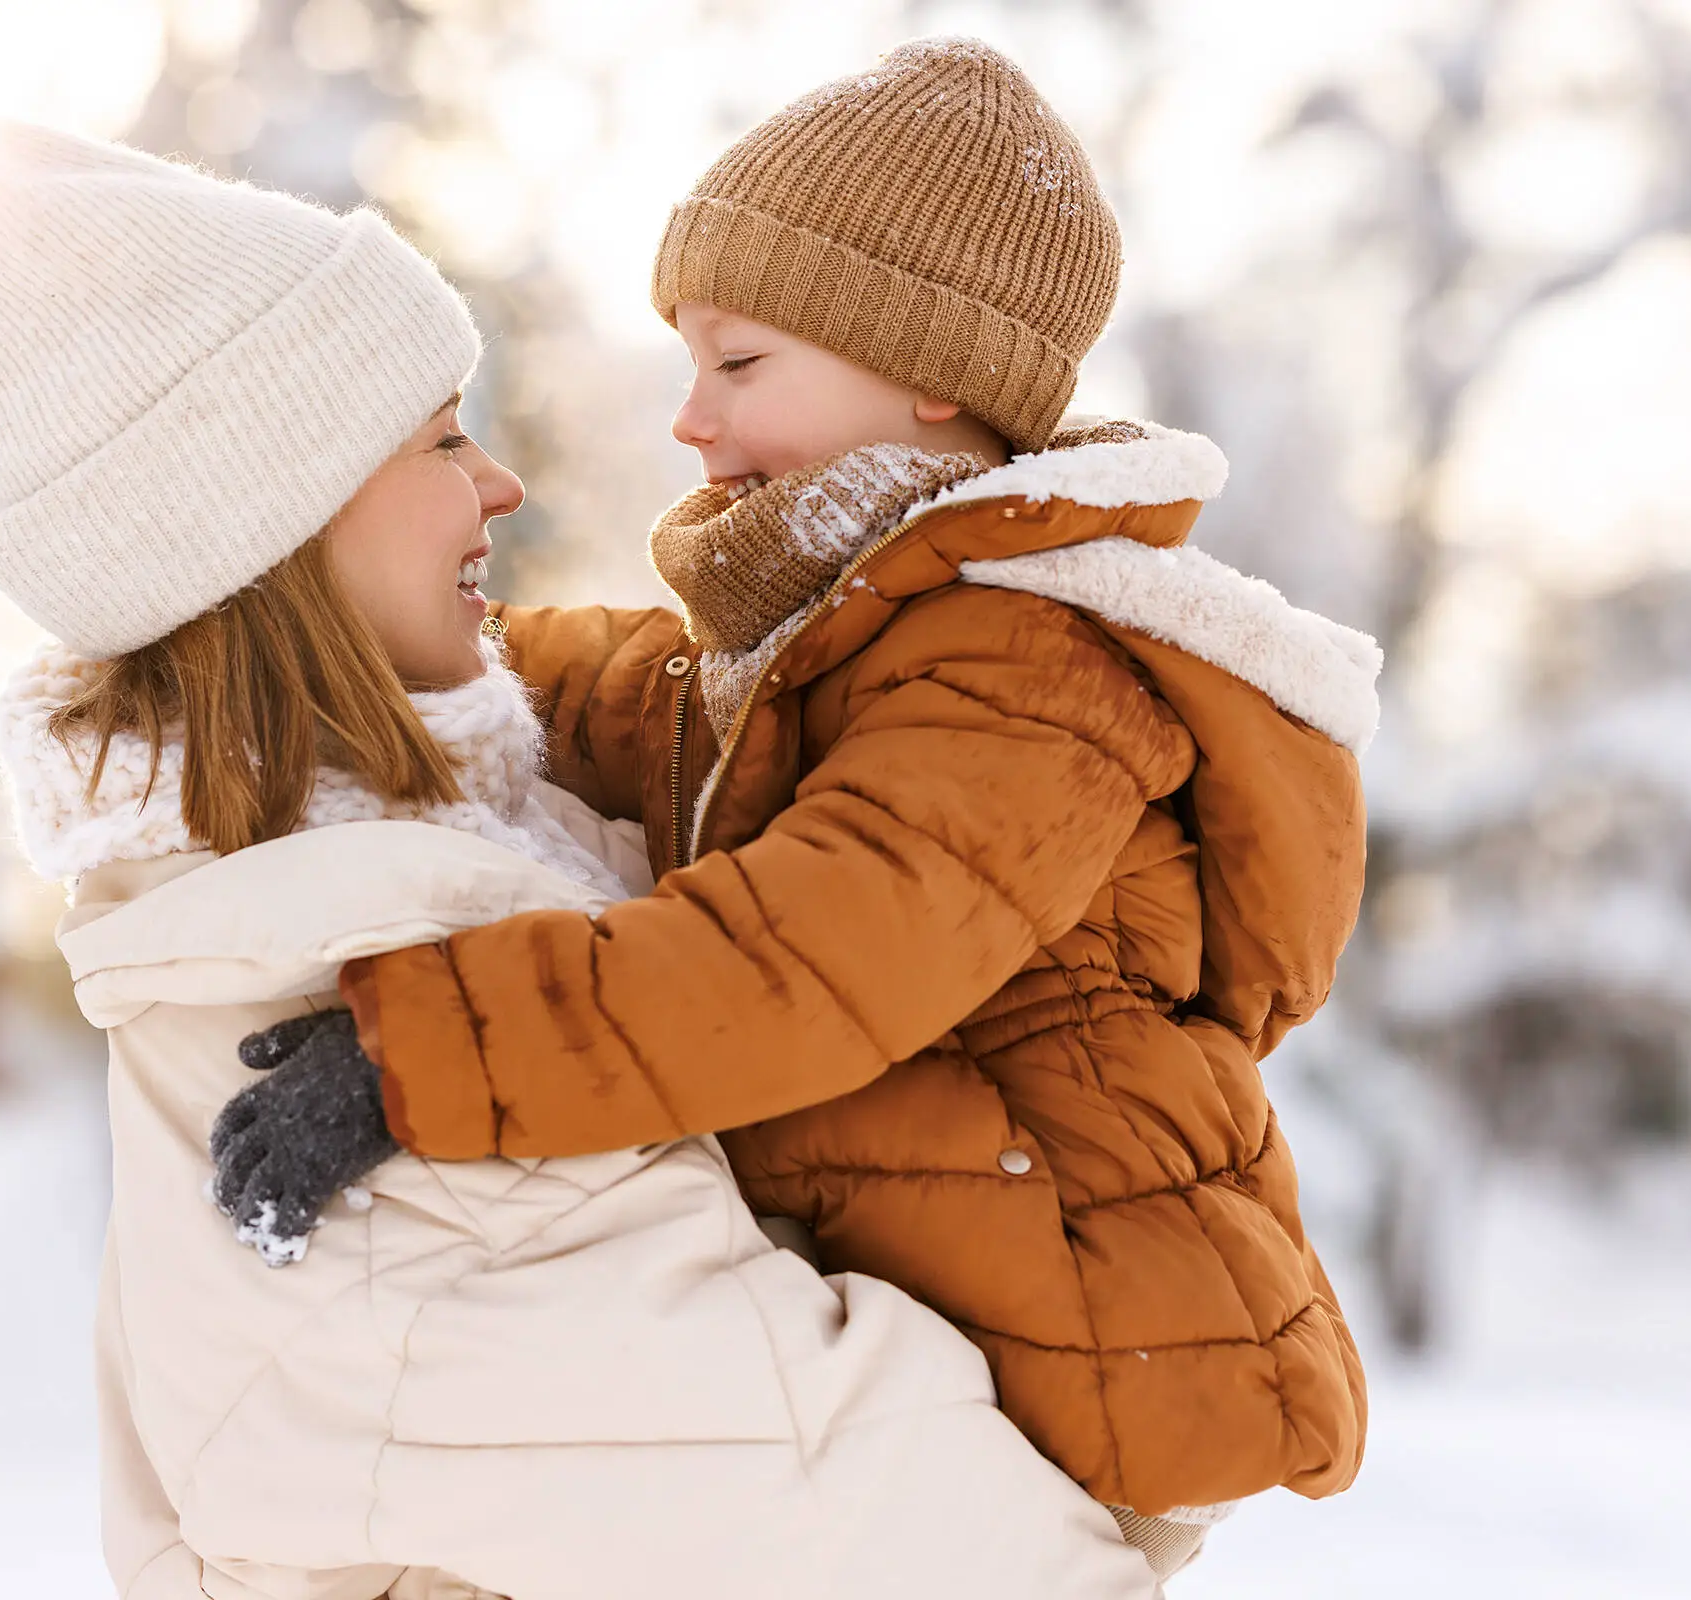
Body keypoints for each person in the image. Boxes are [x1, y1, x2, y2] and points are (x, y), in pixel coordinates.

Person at [0, 120, 1160, 1600]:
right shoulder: (372, 971)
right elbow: (946, 1545)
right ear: (280, 517)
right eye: (443, 438)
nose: (502, 482)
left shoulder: (384, 883)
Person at [209, 37, 1379, 1581]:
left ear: (929, 370)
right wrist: (362, 644)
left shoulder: (1028, 671)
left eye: (739, 364)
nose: (689, 419)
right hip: (953, 1327)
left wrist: (422, 1048)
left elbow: (808, 956)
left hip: (1081, 1364)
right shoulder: (831, 645)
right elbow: (619, 694)